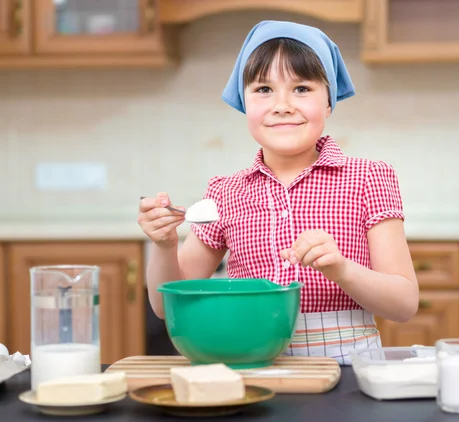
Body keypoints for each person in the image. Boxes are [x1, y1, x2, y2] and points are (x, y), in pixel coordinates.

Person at [138, 20, 419, 365]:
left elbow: (404, 305)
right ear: (244, 103)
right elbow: (167, 308)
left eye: (301, 88)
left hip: (349, 369)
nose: (282, 104)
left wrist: (342, 270)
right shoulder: (225, 192)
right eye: (263, 89)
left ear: (329, 102)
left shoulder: (369, 178)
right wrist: (165, 246)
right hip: (252, 365)